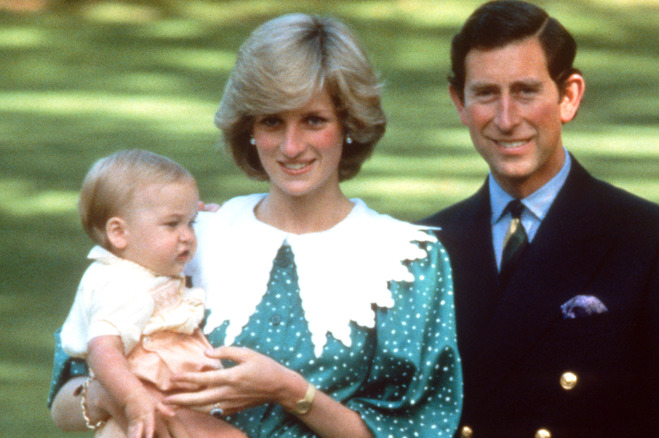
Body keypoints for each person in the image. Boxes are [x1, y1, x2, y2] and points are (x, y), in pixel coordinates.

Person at [49, 13, 463, 438]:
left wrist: (290, 391)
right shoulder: (189, 239)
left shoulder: (405, 262)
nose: (291, 146)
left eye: (313, 120)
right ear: (248, 128)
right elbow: (64, 398)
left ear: (349, 125)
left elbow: (420, 430)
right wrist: (118, 395)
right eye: (271, 121)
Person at [421, 1, 659, 437]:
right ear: (459, 101)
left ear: (569, 96)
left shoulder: (651, 243)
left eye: (526, 91)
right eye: (486, 93)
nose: (507, 119)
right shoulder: (426, 245)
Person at [59, 149, 246, 438]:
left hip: (166, 401)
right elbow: (102, 350)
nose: (187, 235)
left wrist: (206, 222)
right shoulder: (118, 284)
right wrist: (134, 399)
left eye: (191, 222)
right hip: (149, 403)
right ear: (119, 233)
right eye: (172, 224)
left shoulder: (143, 268)